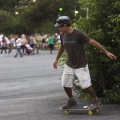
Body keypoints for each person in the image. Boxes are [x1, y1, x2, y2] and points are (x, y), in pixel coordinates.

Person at [53, 16, 117, 110]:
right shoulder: (62, 34)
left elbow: (93, 42)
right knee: (65, 84)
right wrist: (56, 59)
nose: (58, 28)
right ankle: (71, 101)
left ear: (65, 25)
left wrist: (106, 52)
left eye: (60, 26)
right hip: (70, 64)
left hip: (81, 64)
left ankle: (96, 101)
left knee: (86, 85)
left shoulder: (78, 34)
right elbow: (62, 46)